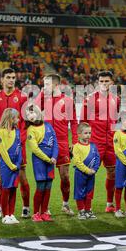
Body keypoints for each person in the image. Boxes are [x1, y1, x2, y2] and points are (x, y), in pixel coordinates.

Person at [0, 68, 30, 219]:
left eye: (13, 77)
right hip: (1, 144)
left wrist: (21, 140)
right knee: (0, 174)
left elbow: (26, 121)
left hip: (18, 144)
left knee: (22, 174)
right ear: (2, 80)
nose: (11, 80)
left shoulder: (22, 97)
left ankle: (25, 207)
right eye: (8, 77)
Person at [35, 74, 78, 216]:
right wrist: (42, 93)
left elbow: (74, 122)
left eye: (46, 84)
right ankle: (44, 207)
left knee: (65, 176)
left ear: (56, 85)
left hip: (62, 142)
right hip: (46, 143)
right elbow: (33, 109)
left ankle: (65, 204)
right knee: (47, 177)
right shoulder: (43, 99)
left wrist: (75, 141)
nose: (44, 87)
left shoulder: (67, 101)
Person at [80, 70, 120, 213]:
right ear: (98, 83)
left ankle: (110, 204)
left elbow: (118, 120)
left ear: (112, 83)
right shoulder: (90, 99)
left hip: (111, 143)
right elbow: (83, 122)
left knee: (112, 173)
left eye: (106, 81)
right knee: (89, 173)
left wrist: (116, 135)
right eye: (101, 81)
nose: (104, 84)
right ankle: (87, 207)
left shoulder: (117, 99)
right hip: (95, 143)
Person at [25, 105, 58, 222]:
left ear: (38, 112)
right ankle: (35, 213)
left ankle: (44, 213)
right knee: (41, 186)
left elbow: (55, 142)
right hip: (39, 162)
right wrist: (48, 159)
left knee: (48, 186)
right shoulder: (30, 130)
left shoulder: (48, 125)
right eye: (28, 115)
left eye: (31, 113)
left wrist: (54, 156)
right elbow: (35, 149)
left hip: (50, 161)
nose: (30, 116)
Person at [0, 108, 23, 224]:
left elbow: (19, 148)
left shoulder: (17, 131)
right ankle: (5, 215)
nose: (18, 119)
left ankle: (11, 214)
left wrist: (18, 163)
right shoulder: (1, 132)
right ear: (11, 119)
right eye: (16, 117)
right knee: (6, 189)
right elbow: (2, 151)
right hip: (6, 165)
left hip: (16, 165)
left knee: (13, 189)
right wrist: (11, 165)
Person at [73, 122, 100, 220]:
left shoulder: (93, 146)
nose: (88, 135)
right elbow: (78, 162)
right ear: (79, 134)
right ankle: (81, 211)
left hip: (91, 174)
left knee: (89, 192)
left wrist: (94, 170)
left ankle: (88, 210)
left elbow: (97, 158)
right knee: (80, 192)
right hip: (80, 174)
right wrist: (87, 170)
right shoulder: (76, 147)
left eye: (89, 133)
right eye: (86, 133)